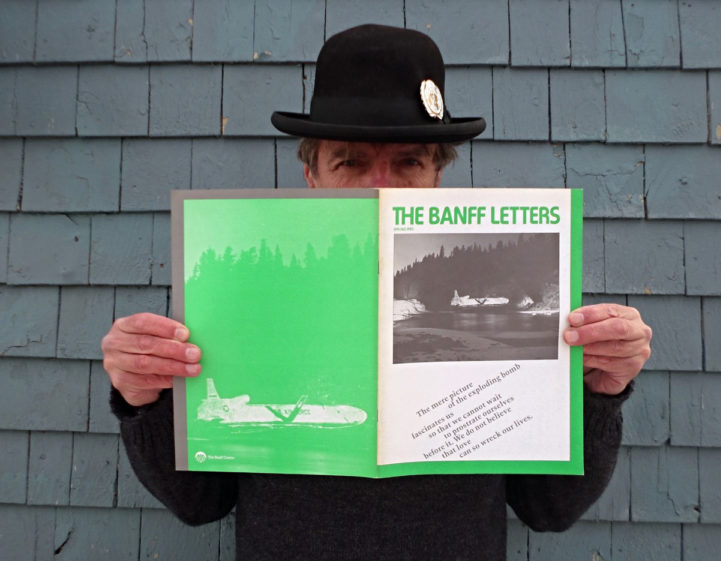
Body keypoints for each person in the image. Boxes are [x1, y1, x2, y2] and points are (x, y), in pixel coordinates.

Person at [102, 24, 652, 560]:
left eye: (408, 163)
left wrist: (601, 394)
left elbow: (549, 510)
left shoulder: (519, 301)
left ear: (437, 178)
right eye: (351, 162)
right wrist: (141, 398)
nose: (380, 187)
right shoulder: (242, 296)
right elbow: (199, 504)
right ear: (311, 175)